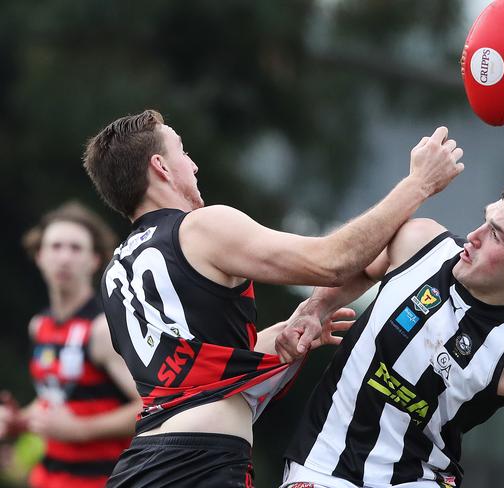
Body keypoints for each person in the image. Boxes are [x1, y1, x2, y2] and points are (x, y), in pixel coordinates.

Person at [81, 109, 464, 487]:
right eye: (183, 152)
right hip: (197, 462)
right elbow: (332, 262)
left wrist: (299, 321)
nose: (194, 165)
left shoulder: (116, 272)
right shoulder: (201, 227)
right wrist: (419, 184)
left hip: (143, 463)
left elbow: (191, 371)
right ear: (161, 166)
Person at [277, 183, 504, 488]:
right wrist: (314, 309)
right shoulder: (421, 241)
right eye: (484, 220)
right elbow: (354, 265)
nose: (473, 236)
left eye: (495, 234)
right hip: (321, 466)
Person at [0, 202, 141, 488]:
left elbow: (151, 406)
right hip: (47, 479)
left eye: (76, 248)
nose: (64, 257)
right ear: (39, 255)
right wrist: (19, 420)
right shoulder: (40, 326)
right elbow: (56, 399)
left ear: (95, 259)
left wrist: (80, 430)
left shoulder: (102, 330)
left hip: (103, 480)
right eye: (55, 246)